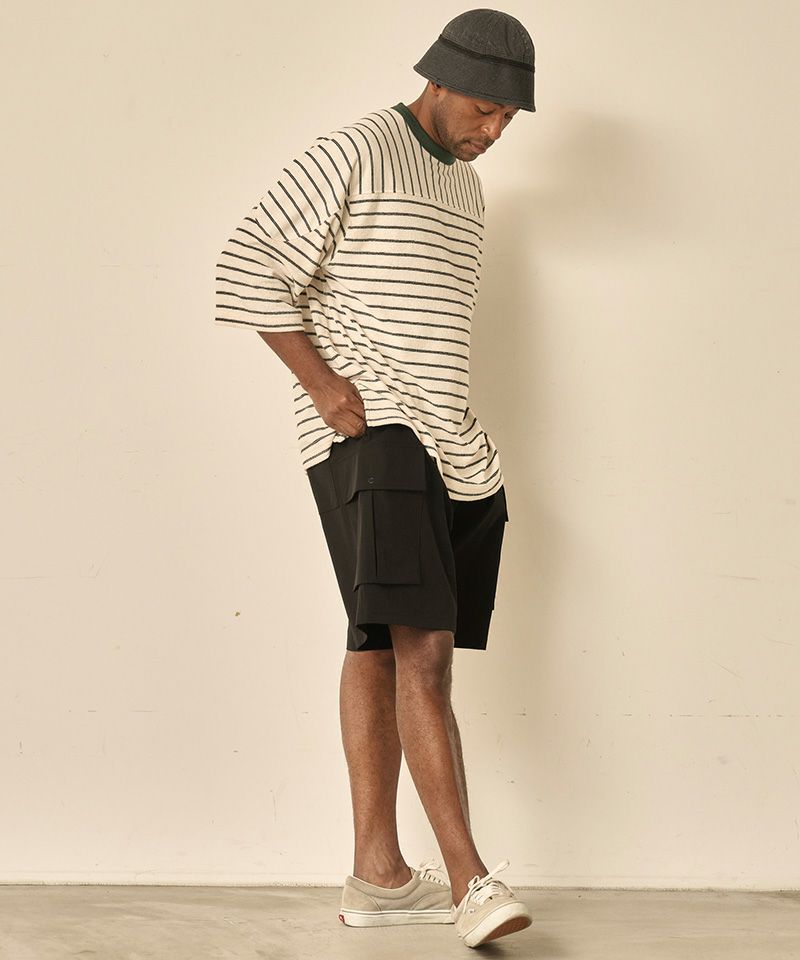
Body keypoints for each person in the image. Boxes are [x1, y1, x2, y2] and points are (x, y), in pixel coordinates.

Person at [214, 7, 536, 949]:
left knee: (380, 644)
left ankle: (380, 875)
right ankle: (471, 881)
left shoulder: (465, 189)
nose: (493, 131)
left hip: (449, 447)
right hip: (376, 436)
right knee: (423, 649)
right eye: (482, 109)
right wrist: (324, 386)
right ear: (436, 81)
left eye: (508, 118)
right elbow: (247, 263)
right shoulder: (354, 151)